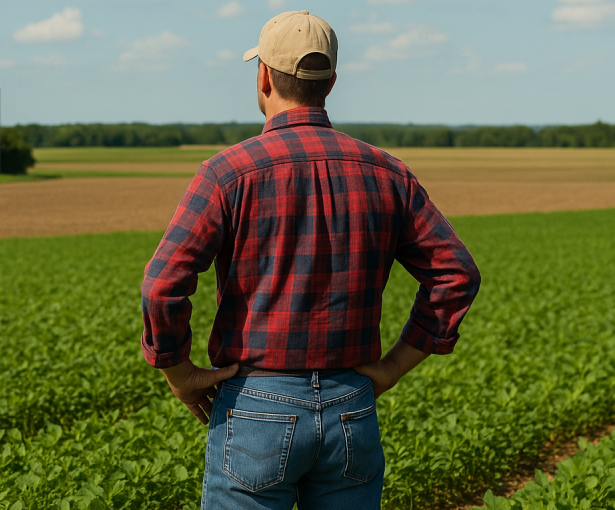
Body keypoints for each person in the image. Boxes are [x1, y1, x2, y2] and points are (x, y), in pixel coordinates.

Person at [139, 10, 481, 509]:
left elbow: (161, 285)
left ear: (262, 77)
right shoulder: (386, 172)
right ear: (332, 82)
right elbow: (456, 273)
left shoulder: (226, 173)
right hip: (351, 406)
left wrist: (179, 372)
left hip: (254, 403)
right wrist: (392, 368)